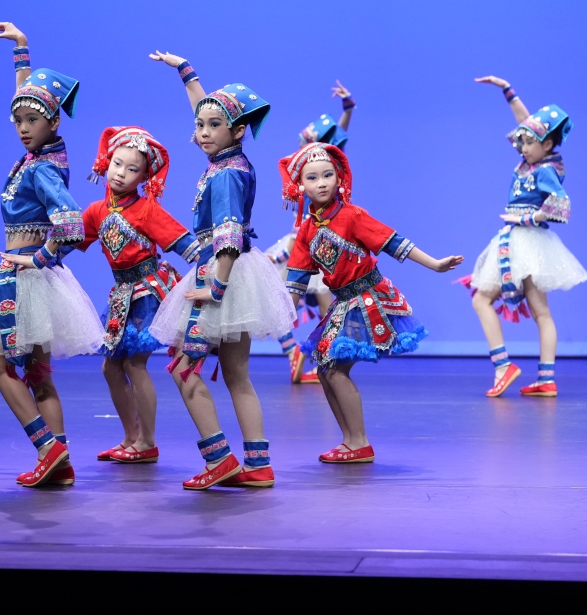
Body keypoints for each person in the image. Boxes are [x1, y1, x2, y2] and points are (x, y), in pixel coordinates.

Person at [0, 22, 104, 488]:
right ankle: (60, 463)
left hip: (24, 278)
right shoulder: (45, 154)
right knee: (39, 373)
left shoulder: (41, 168)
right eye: (18, 121)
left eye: (32, 121)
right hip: (34, 281)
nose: (23, 128)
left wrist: (39, 258)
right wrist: (21, 50)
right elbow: (27, 99)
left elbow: (71, 222)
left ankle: (48, 447)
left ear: (54, 122)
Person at [147, 52, 295, 490]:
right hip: (236, 273)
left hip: (221, 272)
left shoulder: (227, 173)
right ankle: (258, 464)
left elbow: (228, 235)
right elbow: (206, 108)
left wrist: (215, 287)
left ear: (238, 130)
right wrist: (186, 72)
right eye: (200, 125)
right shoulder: (229, 162)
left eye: (213, 126)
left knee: (183, 369)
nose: (203, 132)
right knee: (236, 375)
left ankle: (219, 459)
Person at [281, 142, 463, 462]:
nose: (321, 183)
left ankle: (360, 442)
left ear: (339, 178)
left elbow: (392, 242)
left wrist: (435, 264)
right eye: (312, 178)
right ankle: (350, 441)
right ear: (300, 186)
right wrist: (279, 315)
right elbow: (295, 281)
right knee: (325, 370)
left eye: (327, 175)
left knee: (335, 370)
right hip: (343, 303)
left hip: (366, 298)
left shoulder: (352, 215)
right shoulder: (307, 230)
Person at [75, 126, 198, 464]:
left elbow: (188, 247)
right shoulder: (96, 211)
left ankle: (147, 442)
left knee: (134, 363)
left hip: (148, 291)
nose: (121, 173)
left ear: (144, 177)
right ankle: (131, 436)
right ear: (106, 162)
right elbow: (66, 244)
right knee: (110, 368)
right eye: (117, 163)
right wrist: (36, 257)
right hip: (122, 295)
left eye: (132, 169)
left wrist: (216, 274)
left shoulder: (147, 210)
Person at [466, 77, 584, 398]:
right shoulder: (531, 163)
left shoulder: (545, 170)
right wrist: (508, 92)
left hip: (526, 241)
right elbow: (525, 122)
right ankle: (545, 378)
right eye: (522, 141)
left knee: (486, 300)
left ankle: (504, 366)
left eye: (530, 143)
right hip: (518, 241)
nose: (522, 146)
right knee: (539, 311)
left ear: (547, 145)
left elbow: (561, 204)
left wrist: (525, 218)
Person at [266, 81, 356, 384]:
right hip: (304, 242)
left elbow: (338, 138)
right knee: (284, 302)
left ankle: (319, 355)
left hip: (320, 242)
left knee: (323, 304)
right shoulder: (303, 174)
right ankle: (298, 354)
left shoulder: (324, 172)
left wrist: (348, 108)